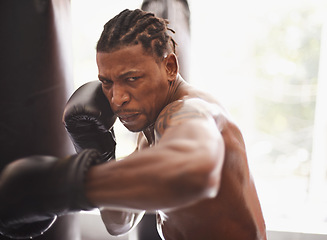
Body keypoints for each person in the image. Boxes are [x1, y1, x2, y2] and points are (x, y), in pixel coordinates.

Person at [68, 8, 267, 240]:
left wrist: (63, 184)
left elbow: (195, 172)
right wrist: (97, 154)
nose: (116, 98)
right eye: (107, 82)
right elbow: (119, 221)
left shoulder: (189, 110)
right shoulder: (150, 133)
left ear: (170, 67)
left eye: (131, 79)